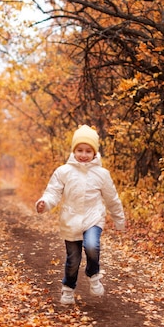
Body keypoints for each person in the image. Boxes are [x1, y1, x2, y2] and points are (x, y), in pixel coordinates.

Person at [36, 125, 125, 305]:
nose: (83, 155)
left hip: (93, 218)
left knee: (92, 246)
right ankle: (68, 289)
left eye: (88, 151)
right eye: (80, 150)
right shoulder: (64, 172)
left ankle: (93, 274)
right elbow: (53, 192)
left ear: (94, 153)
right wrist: (44, 203)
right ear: (74, 151)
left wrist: (119, 219)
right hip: (71, 221)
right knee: (73, 260)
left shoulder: (102, 174)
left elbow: (112, 198)